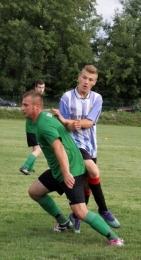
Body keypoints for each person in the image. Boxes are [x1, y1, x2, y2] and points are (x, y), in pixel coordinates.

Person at [21, 90, 124, 246]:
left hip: (71, 169)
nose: (22, 108)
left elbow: (59, 148)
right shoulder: (38, 121)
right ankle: (64, 223)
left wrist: (66, 173)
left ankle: (114, 238)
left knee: (80, 212)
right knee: (34, 192)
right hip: (60, 169)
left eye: (25, 105)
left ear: (37, 106)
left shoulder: (43, 125)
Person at [53, 65, 120, 234]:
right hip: (73, 145)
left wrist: (72, 122)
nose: (86, 81)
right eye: (84, 77)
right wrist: (68, 124)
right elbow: (61, 125)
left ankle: (76, 216)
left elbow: (90, 122)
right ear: (78, 77)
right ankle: (103, 209)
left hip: (90, 146)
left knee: (86, 184)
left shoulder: (97, 98)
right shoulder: (66, 98)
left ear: (94, 82)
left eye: (90, 79)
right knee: (94, 171)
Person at [19, 79, 45, 175]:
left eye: (43, 87)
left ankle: (30, 167)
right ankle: (25, 166)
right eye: (39, 87)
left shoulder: (37, 98)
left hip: (31, 129)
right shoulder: (33, 99)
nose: (41, 89)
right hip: (33, 129)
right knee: (39, 150)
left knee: (35, 149)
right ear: (35, 87)